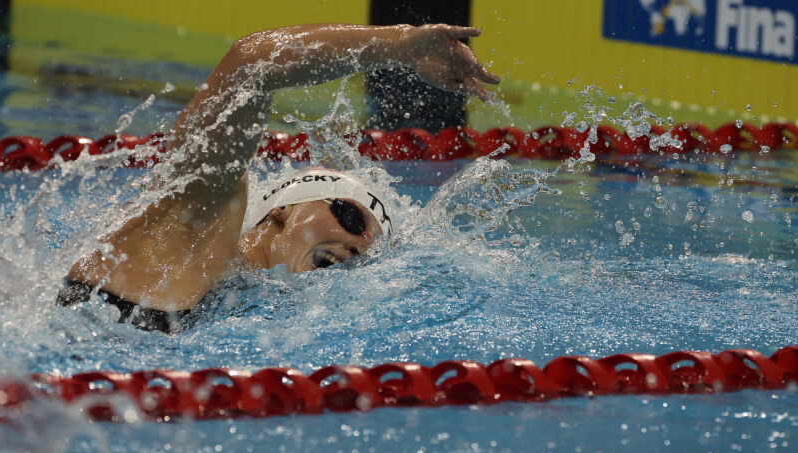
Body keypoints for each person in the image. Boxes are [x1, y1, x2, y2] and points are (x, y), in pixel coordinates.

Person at [57, 23, 500, 333]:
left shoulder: (252, 308)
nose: (358, 244)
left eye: (370, 248)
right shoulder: (198, 223)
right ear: (283, 211)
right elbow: (251, 64)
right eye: (349, 216)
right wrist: (401, 45)